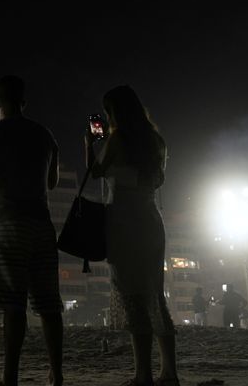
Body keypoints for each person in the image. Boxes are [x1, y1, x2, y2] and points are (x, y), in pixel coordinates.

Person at [0, 75, 63, 386]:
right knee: (49, 304)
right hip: (41, 223)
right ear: (24, 102)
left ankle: (10, 376)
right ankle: (57, 373)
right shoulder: (45, 134)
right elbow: (51, 182)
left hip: (8, 222)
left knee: (13, 303)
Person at [86, 85, 178, 386]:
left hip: (125, 222)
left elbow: (97, 172)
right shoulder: (156, 141)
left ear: (115, 112)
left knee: (133, 297)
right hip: (151, 220)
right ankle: (169, 372)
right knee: (155, 295)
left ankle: (143, 374)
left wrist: (89, 144)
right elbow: (159, 179)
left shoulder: (118, 139)